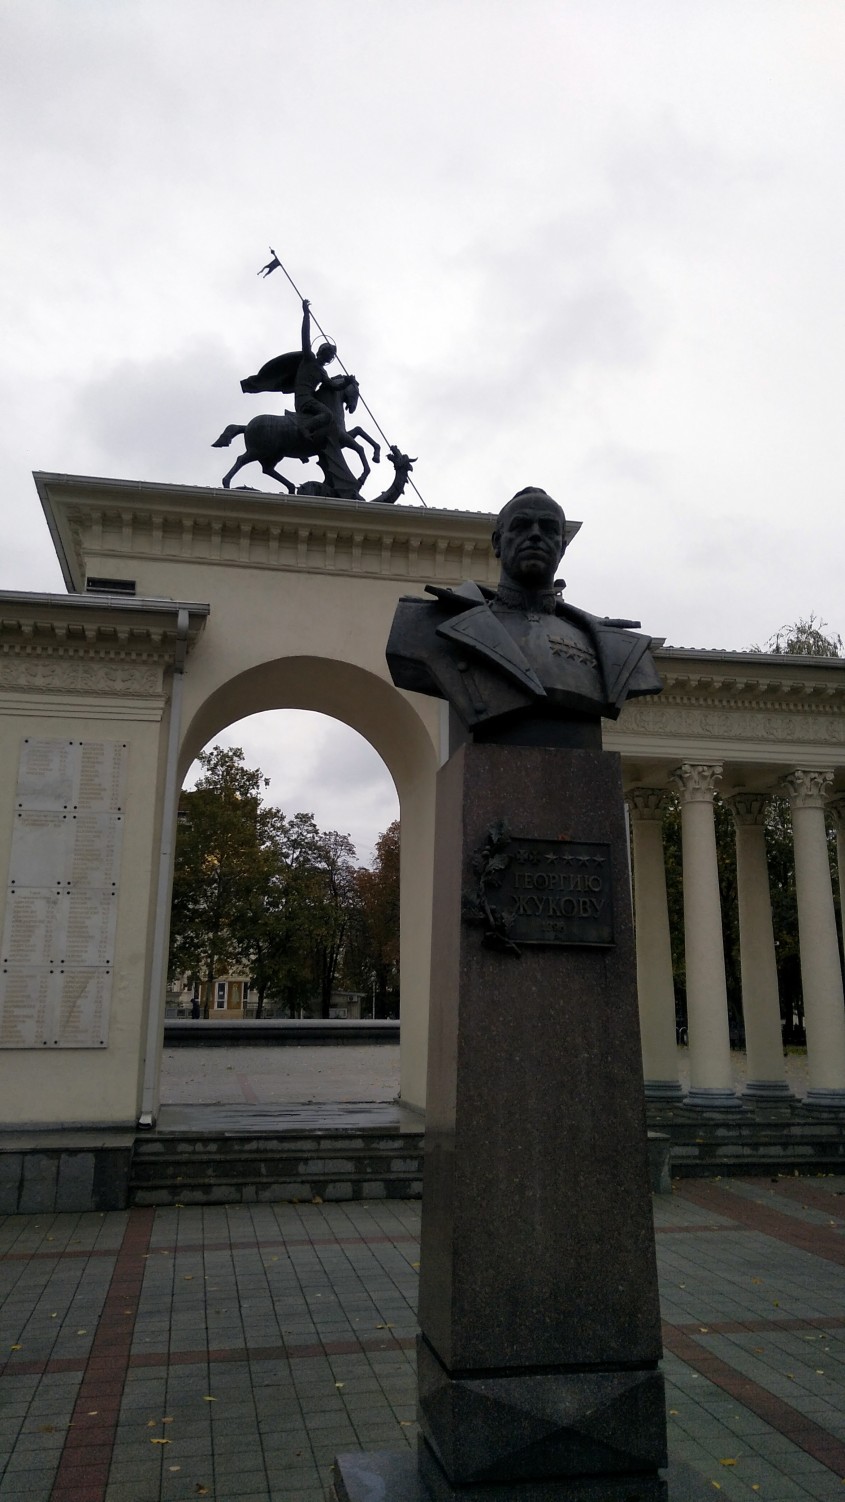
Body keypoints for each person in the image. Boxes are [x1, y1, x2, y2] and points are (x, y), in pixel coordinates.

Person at [386, 486, 662, 747]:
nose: (535, 535)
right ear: (497, 543)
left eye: (548, 528)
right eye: (521, 525)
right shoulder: (428, 625)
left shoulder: (617, 649)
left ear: (562, 548)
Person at [239, 298, 342, 450]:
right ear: (323, 352)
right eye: (330, 354)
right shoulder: (309, 359)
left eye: (332, 356)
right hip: (304, 400)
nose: (330, 357)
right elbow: (305, 337)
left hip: (310, 400)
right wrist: (306, 315)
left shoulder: (322, 372)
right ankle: (304, 428)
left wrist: (348, 382)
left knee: (326, 419)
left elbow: (333, 386)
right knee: (328, 415)